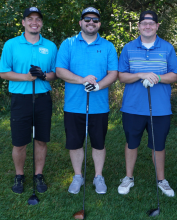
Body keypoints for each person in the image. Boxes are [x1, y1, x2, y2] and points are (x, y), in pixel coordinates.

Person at [56, 7, 118, 195]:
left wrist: (98, 86)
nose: (91, 22)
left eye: (95, 20)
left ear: (99, 24)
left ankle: (98, 176)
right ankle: (77, 176)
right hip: (74, 105)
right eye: (87, 19)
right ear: (80, 22)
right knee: (75, 143)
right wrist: (83, 79)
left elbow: (113, 74)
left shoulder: (107, 46)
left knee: (98, 143)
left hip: (99, 106)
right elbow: (60, 71)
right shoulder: (68, 44)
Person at [117, 10, 177, 197]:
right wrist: (140, 75)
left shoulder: (167, 48)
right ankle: (128, 177)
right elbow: (121, 76)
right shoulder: (128, 48)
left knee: (158, 145)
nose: (147, 26)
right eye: (144, 23)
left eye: (151, 23)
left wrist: (157, 77)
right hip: (133, 107)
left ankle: (161, 180)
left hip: (159, 108)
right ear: (138, 26)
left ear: (157, 26)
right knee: (131, 143)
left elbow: (174, 75)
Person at [0, 7, 58, 194]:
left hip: (42, 99)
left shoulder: (50, 46)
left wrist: (44, 75)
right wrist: (26, 77)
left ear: (41, 23)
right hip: (21, 99)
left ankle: (38, 175)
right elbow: (3, 73)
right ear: (23, 22)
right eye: (30, 19)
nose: (35, 22)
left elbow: (55, 74)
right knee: (20, 142)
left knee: (41, 140)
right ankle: (19, 176)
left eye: (38, 19)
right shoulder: (11, 44)